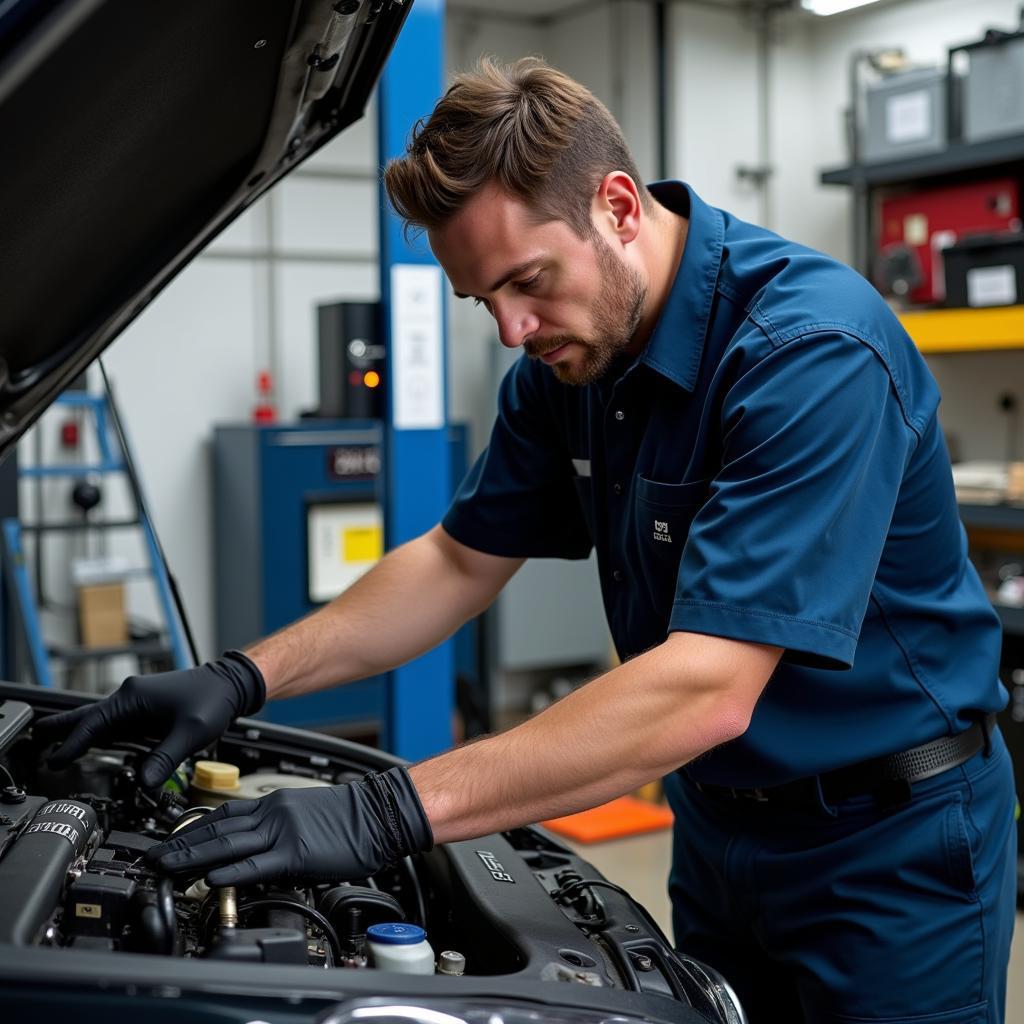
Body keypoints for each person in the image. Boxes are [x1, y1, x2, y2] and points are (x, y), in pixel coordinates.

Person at [39, 58, 1016, 1022]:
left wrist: (382, 811)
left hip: (890, 848)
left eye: (527, 282)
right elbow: (456, 560)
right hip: (721, 831)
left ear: (620, 208)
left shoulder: (807, 353)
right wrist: (240, 677)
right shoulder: (567, 368)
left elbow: (708, 687)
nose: (511, 329)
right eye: (482, 302)